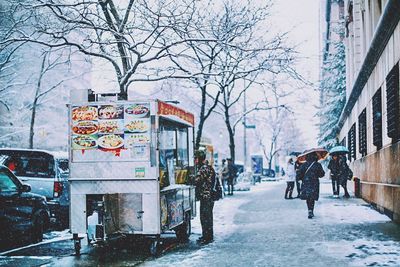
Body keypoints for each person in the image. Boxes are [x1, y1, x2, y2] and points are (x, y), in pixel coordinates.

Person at [195, 150, 215, 244]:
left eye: (196, 158)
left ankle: (206, 237)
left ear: (199, 159)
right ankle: (208, 236)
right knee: (208, 217)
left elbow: (197, 180)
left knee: (205, 217)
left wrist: (190, 177)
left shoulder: (203, 169)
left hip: (206, 196)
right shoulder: (209, 168)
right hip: (210, 196)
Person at [297, 152, 325, 219]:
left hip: (306, 182)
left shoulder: (304, 165)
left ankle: (309, 210)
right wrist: (316, 174)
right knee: (312, 197)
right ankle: (311, 210)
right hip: (314, 183)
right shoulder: (317, 165)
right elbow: (322, 174)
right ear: (316, 157)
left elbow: (299, 175)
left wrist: (301, 177)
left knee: (308, 197)